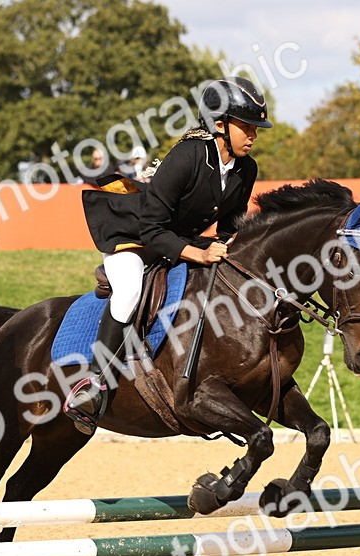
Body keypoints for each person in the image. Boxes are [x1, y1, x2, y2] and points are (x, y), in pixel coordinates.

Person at [66, 76, 271, 433]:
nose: (253, 135)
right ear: (219, 125)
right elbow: (151, 230)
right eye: (247, 127)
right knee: (129, 289)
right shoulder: (188, 155)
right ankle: (92, 384)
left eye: (256, 128)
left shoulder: (245, 168)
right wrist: (196, 252)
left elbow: (228, 227)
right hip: (134, 236)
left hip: (176, 238)